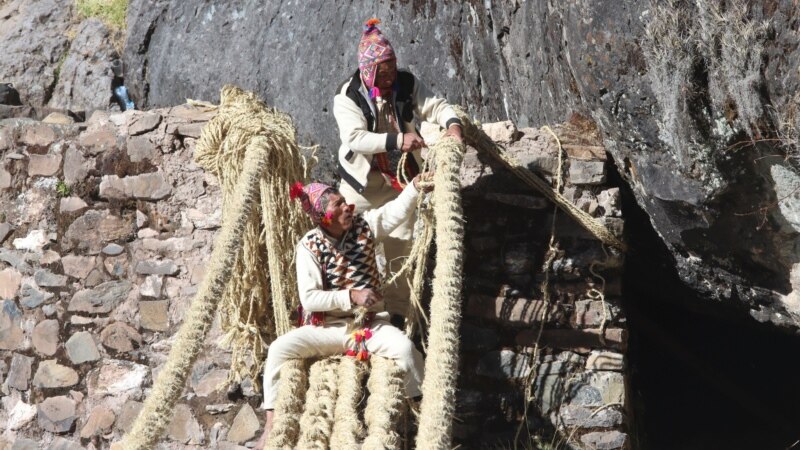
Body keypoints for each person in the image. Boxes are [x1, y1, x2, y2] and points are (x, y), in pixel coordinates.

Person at [254, 173, 433, 448]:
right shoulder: (309, 246)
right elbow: (310, 299)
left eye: (343, 201)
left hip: (369, 325)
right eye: (337, 205)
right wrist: (351, 296)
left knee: (407, 351)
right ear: (323, 217)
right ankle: (271, 422)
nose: (347, 207)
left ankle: (421, 412)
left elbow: (392, 213)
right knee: (278, 349)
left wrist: (414, 187)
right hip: (326, 328)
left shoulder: (363, 226)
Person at [333, 18, 463, 320]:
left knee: (401, 246)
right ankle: (348, 316)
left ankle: (399, 314)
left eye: (392, 68)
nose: (390, 76)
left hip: (399, 182)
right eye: (383, 72)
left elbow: (435, 105)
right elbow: (354, 138)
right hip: (360, 185)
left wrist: (453, 126)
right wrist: (397, 140)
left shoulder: (405, 83)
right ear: (368, 71)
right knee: (349, 243)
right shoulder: (347, 96)